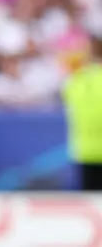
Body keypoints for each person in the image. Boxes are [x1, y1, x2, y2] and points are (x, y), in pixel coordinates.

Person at [62, 35, 102, 191]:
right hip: (86, 149)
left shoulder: (76, 80)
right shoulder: (76, 79)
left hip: (84, 149)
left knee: (92, 197)